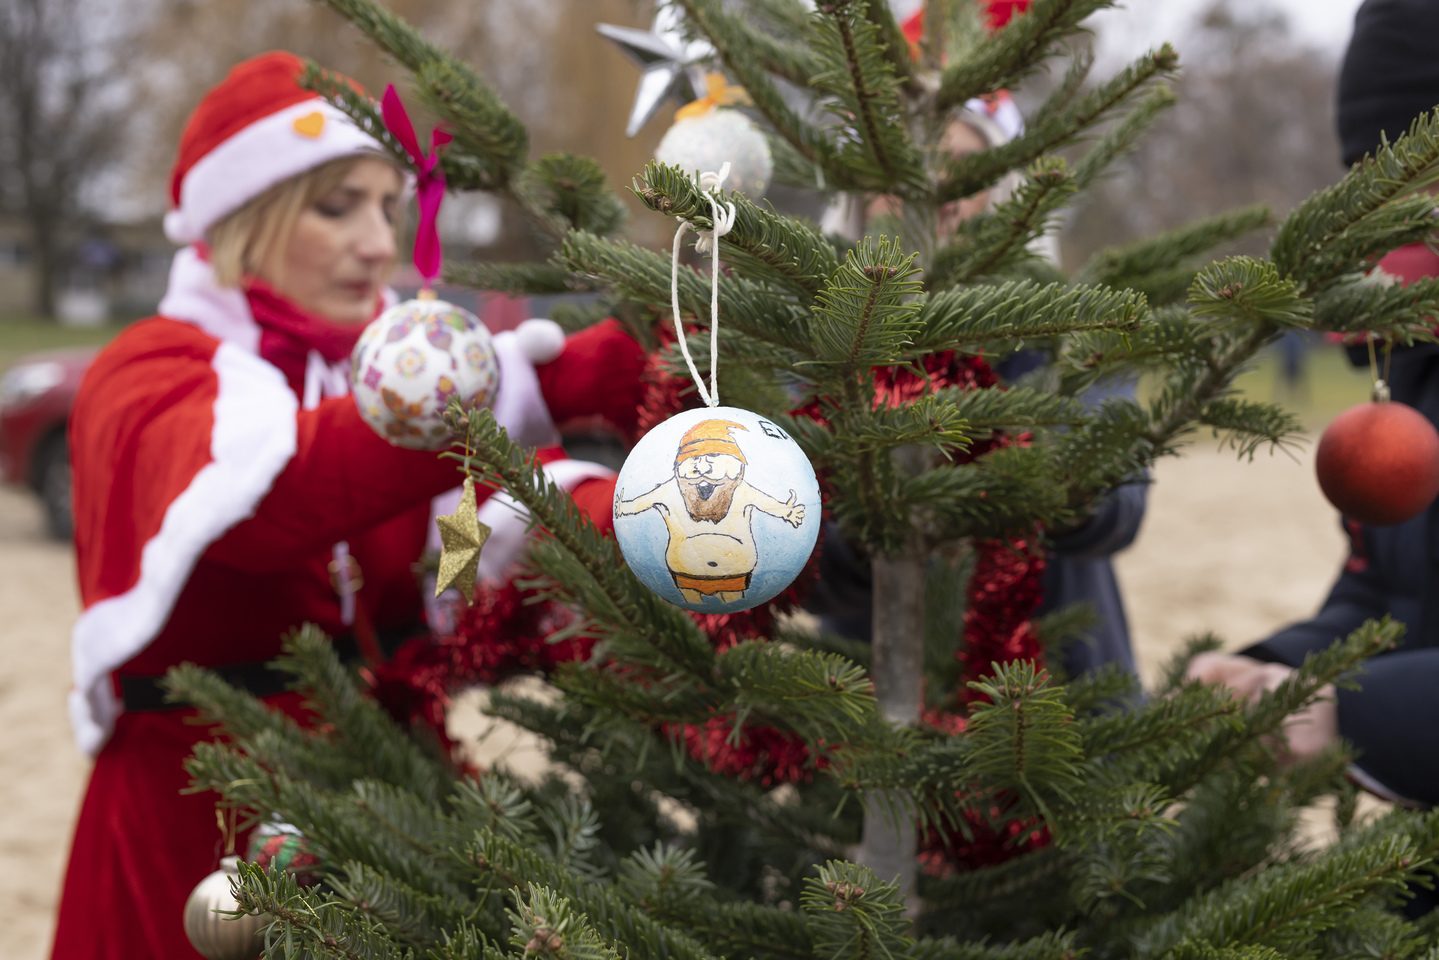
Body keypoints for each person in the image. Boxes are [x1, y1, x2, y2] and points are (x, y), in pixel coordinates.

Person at [51, 51, 646, 959]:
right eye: (336, 207)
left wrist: (649, 519)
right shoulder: (150, 371)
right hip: (201, 821)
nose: (377, 245)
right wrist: (535, 382)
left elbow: (474, 532)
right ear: (244, 217)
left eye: (389, 208)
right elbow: (267, 499)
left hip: (388, 801)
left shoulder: (381, 370)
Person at [1185, 0, 1439, 810]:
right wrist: (1275, 670)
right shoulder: (1408, 356)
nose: (1400, 218)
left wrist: (1354, 716)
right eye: (1370, 180)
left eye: (1423, 180)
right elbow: (1388, 597)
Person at [810, 93, 1148, 682]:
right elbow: (803, 565)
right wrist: (878, 520)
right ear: (859, 192)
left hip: (1059, 693)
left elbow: (1120, 506)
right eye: (901, 168)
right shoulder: (810, 347)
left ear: (1002, 190)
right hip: (868, 694)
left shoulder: (1070, 327)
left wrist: (1015, 463)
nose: (935, 190)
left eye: (965, 169)